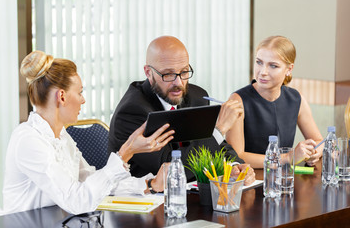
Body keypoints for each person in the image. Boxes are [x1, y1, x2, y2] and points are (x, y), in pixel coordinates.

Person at [0, 51, 175, 216]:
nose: (83, 100)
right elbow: (77, 201)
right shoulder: (29, 141)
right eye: (80, 92)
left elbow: (92, 181)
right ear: (62, 97)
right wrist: (125, 153)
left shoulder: (61, 136)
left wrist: (150, 185)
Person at [108, 36, 255, 185]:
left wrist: (235, 166)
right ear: (148, 72)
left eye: (184, 72)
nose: (178, 83)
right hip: (146, 200)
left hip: (191, 194)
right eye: (168, 74)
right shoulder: (131, 112)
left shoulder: (197, 96)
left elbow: (215, 144)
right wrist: (219, 129)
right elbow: (171, 169)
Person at [226, 36, 323, 168]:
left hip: (285, 181)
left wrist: (314, 152)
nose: (263, 72)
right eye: (259, 62)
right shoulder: (238, 100)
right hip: (251, 181)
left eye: (273, 65)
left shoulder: (296, 98)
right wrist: (288, 157)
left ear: (289, 69)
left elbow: (319, 141)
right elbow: (237, 156)